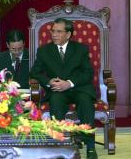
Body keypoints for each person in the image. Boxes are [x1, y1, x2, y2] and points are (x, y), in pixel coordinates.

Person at [29, 18, 98, 159]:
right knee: (56, 100)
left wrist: (69, 83)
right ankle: (60, 143)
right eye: (53, 31)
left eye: (59, 32)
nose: (54, 34)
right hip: (57, 90)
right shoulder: (44, 51)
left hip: (78, 88)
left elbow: (88, 73)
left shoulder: (81, 49)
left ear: (68, 34)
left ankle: (90, 146)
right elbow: (35, 72)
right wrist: (49, 81)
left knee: (85, 101)